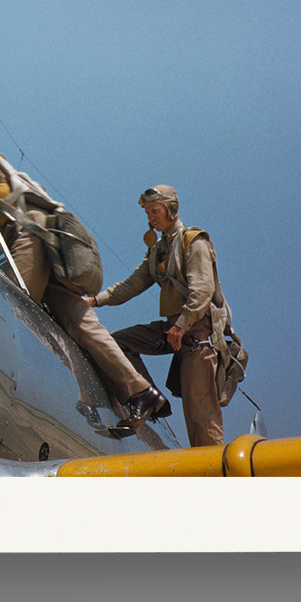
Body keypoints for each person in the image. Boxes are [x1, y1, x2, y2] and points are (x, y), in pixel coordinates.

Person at [0, 121, 164, 431]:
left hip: (28, 237)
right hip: (43, 243)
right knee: (81, 322)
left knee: (11, 309)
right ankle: (140, 392)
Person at [85, 185, 227, 447]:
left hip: (197, 337)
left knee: (200, 421)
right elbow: (131, 285)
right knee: (116, 344)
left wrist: (181, 325)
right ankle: (149, 397)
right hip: (173, 331)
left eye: (155, 211)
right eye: (148, 213)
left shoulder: (194, 242)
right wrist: (94, 300)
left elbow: (202, 290)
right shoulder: (158, 251)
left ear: (171, 209)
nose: (151, 218)